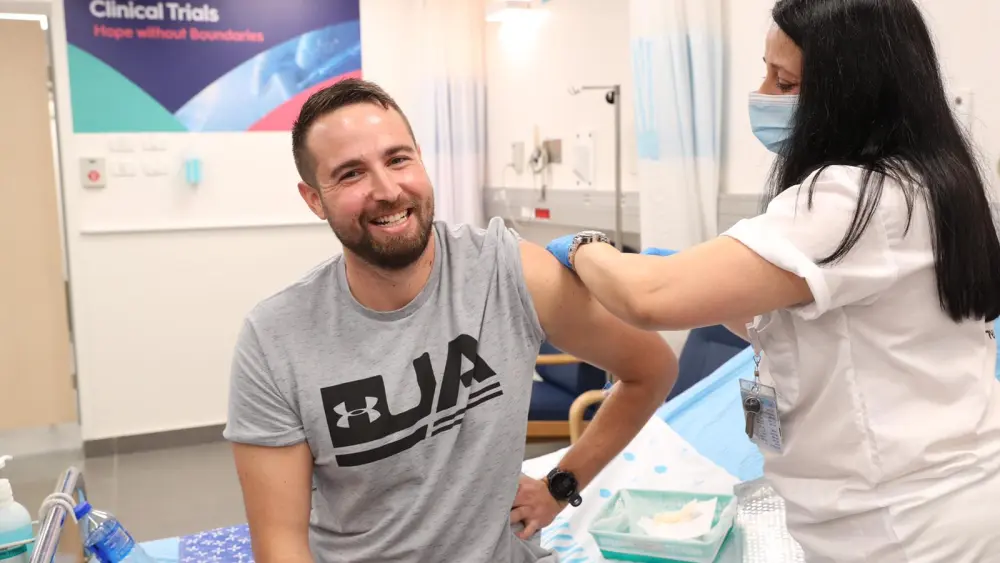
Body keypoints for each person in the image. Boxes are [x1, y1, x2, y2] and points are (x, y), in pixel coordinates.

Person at [545, 1, 1000, 562]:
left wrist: (586, 248)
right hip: (937, 502)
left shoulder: (855, 199)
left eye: (783, 81)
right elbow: (827, 324)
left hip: (903, 527)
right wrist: (707, 283)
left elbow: (648, 297)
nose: (762, 92)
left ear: (849, 92)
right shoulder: (931, 185)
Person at [222, 78, 677, 563]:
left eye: (398, 159)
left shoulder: (508, 272)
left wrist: (560, 485)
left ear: (420, 158)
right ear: (314, 198)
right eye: (351, 174)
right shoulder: (276, 339)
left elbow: (651, 370)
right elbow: (281, 546)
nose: (387, 189)